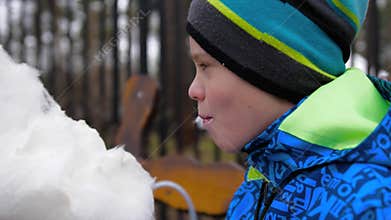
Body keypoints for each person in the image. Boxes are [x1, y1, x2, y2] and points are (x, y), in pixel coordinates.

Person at [186, 0, 391, 219]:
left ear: (270, 67)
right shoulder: (264, 178)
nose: (193, 90)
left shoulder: (371, 203)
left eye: (205, 65)